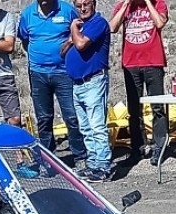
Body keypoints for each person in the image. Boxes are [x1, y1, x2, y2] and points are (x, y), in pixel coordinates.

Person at [19, 0, 89, 166]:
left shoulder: (67, 10)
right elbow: (25, 40)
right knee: (43, 118)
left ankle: (80, 156)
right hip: (38, 73)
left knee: (72, 116)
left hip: (64, 72)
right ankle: (49, 161)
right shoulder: (27, 15)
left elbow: (80, 32)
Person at [109, 0, 169, 166]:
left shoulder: (159, 4)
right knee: (134, 109)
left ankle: (159, 147)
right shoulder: (123, 6)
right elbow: (112, 28)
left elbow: (159, 23)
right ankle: (138, 148)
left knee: (157, 107)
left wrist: (149, 3)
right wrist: (126, 4)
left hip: (153, 63)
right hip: (131, 64)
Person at [63, 0, 113, 182]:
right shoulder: (80, 27)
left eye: (86, 4)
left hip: (93, 81)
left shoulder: (97, 23)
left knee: (97, 126)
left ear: (94, 4)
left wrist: (73, 31)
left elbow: (81, 44)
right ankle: (93, 163)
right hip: (77, 83)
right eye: (78, 5)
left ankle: (103, 166)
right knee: (85, 128)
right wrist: (73, 36)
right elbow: (62, 51)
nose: (82, 8)